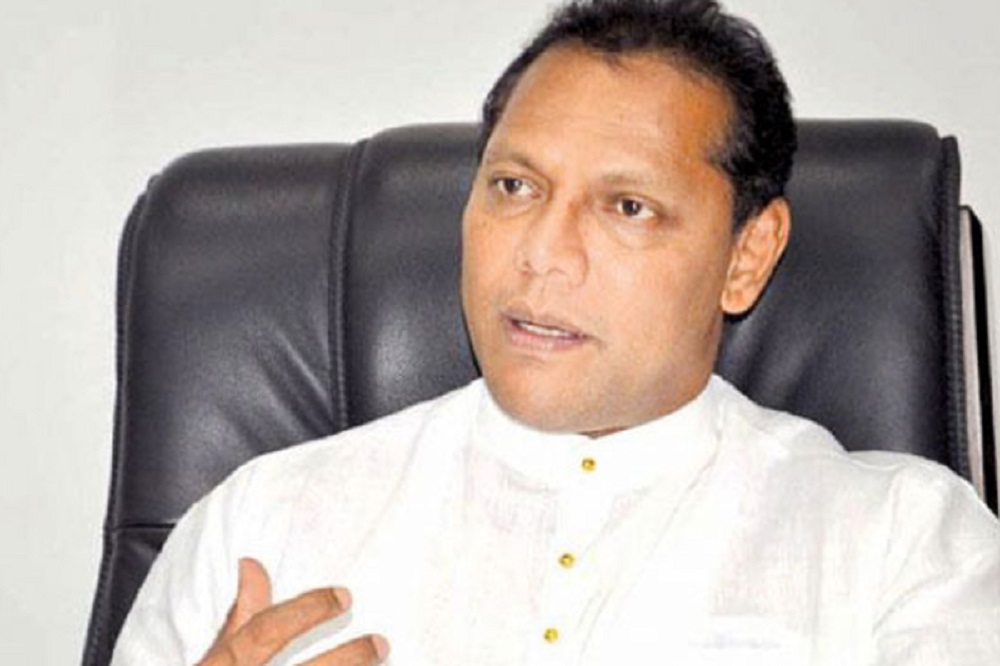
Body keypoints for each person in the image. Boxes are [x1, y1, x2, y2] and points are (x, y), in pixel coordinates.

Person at [111, 1, 1000, 664]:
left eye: (627, 207)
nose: (541, 255)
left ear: (747, 254)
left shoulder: (903, 542)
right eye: (514, 187)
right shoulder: (260, 522)